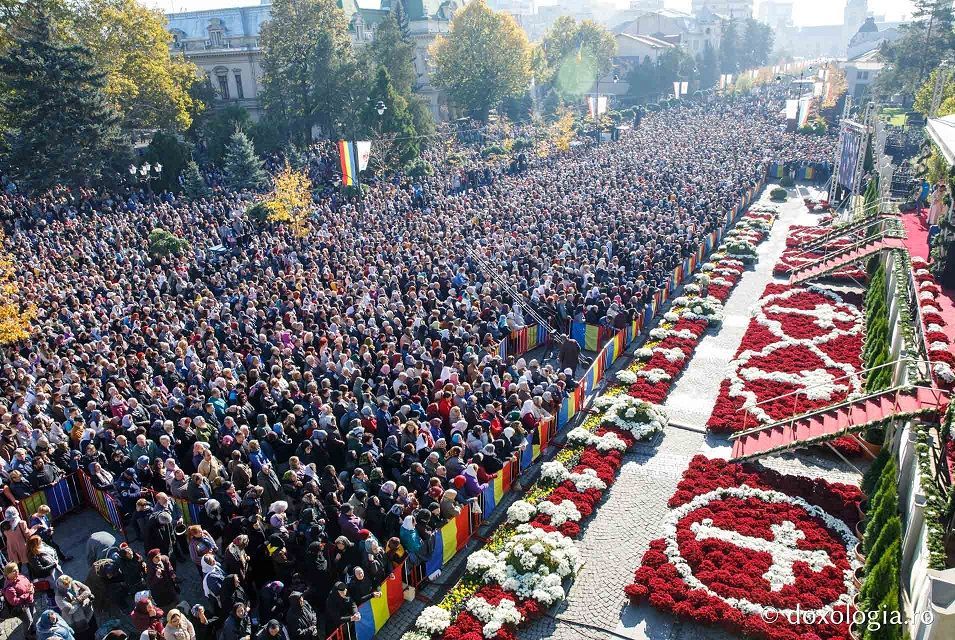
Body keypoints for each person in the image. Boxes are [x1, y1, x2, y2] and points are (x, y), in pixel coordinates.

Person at [54, 575, 97, 640]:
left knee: (94, 632)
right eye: (67, 586)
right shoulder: (58, 596)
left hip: (88, 612)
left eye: (70, 583)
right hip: (77, 621)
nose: (69, 586)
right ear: (61, 586)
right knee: (84, 636)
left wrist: (80, 598)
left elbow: (87, 590)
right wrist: (83, 598)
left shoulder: (74, 583)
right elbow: (70, 610)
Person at [3, 562, 36, 640]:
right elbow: (14, 602)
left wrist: (31, 587)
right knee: (28, 620)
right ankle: (28, 636)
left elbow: (29, 583)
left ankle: (32, 628)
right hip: (23, 607)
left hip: (30, 600)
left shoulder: (20, 576)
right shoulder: (9, 588)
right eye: (14, 571)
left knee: (32, 614)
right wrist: (27, 594)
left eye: (17, 569)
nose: (17, 571)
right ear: (8, 573)